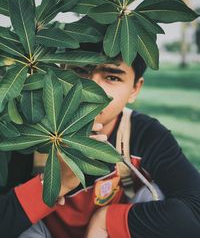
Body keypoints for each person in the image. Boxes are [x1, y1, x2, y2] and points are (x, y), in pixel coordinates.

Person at [1, 52, 200, 238]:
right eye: (80, 70)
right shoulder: (23, 132)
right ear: (61, 70)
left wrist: (107, 220)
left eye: (112, 77)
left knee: (154, 194)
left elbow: (195, 210)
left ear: (135, 89)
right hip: (45, 231)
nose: (91, 89)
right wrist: (56, 184)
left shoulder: (145, 136)